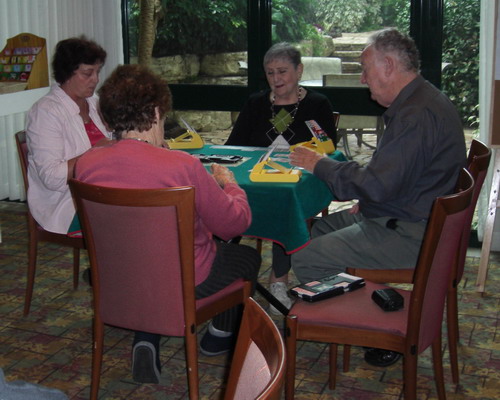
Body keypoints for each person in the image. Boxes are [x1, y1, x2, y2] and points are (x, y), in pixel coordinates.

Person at [289, 28, 466, 367]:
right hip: (412, 216)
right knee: (315, 232)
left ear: (388, 65)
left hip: (414, 234)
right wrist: (369, 197)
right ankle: (350, 310)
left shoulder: (415, 115)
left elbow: (377, 184)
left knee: (307, 258)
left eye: (366, 69)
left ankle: (376, 327)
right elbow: (392, 179)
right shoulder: (422, 100)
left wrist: (320, 164)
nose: (362, 79)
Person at [74, 64, 261, 384]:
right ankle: (217, 336)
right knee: (247, 258)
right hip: (185, 279)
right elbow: (233, 224)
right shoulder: (183, 166)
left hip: (117, 278)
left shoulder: (86, 163)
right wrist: (231, 185)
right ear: (158, 111)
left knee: (148, 261)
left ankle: (146, 336)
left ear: (109, 116)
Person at [226, 42, 337, 314]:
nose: (276, 79)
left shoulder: (317, 104)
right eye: (270, 73)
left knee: (284, 207)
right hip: (256, 180)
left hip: (292, 184)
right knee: (222, 196)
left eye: (282, 72)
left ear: (299, 70)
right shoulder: (255, 103)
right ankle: (225, 275)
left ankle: (278, 280)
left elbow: (328, 148)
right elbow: (233, 145)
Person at [26, 36, 111, 237]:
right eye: (87, 73)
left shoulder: (94, 102)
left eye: (97, 72)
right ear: (66, 74)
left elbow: (113, 140)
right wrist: (96, 152)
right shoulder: (45, 112)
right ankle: (110, 268)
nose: (96, 80)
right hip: (67, 203)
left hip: (99, 192)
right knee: (133, 214)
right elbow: (52, 178)